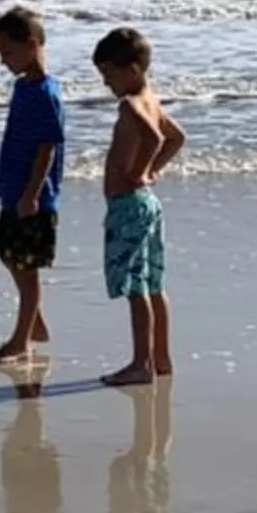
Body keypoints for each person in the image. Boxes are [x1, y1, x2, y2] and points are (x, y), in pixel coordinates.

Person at [92, 25, 185, 387]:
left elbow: (156, 137)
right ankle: (161, 358)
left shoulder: (131, 105)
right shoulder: (151, 99)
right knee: (154, 283)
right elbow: (177, 138)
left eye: (109, 75)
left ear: (132, 70)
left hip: (129, 205)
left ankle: (141, 363)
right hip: (146, 203)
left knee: (136, 288)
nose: (106, 84)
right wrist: (153, 169)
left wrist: (140, 171)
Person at [0, 6, 66, 366]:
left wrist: (32, 193)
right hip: (14, 190)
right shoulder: (23, 87)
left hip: (33, 196)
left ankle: (21, 340)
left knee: (26, 268)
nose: (3, 61)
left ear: (31, 45)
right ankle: (36, 324)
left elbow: (48, 148)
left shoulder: (46, 92)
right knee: (9, 256)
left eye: (7, 52)